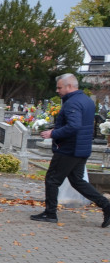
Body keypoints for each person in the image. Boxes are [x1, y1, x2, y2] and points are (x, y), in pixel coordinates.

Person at [31, 73, 110, 227]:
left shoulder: (72, 103)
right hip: (81, 148)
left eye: (59, 87)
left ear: (69, 86)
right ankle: (106, 205)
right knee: (77, 181)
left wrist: (53, 133)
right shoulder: (86, 101)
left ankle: (50, 213)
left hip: (69, 149)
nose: (57, 90)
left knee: (52, 179)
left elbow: (74, 126)